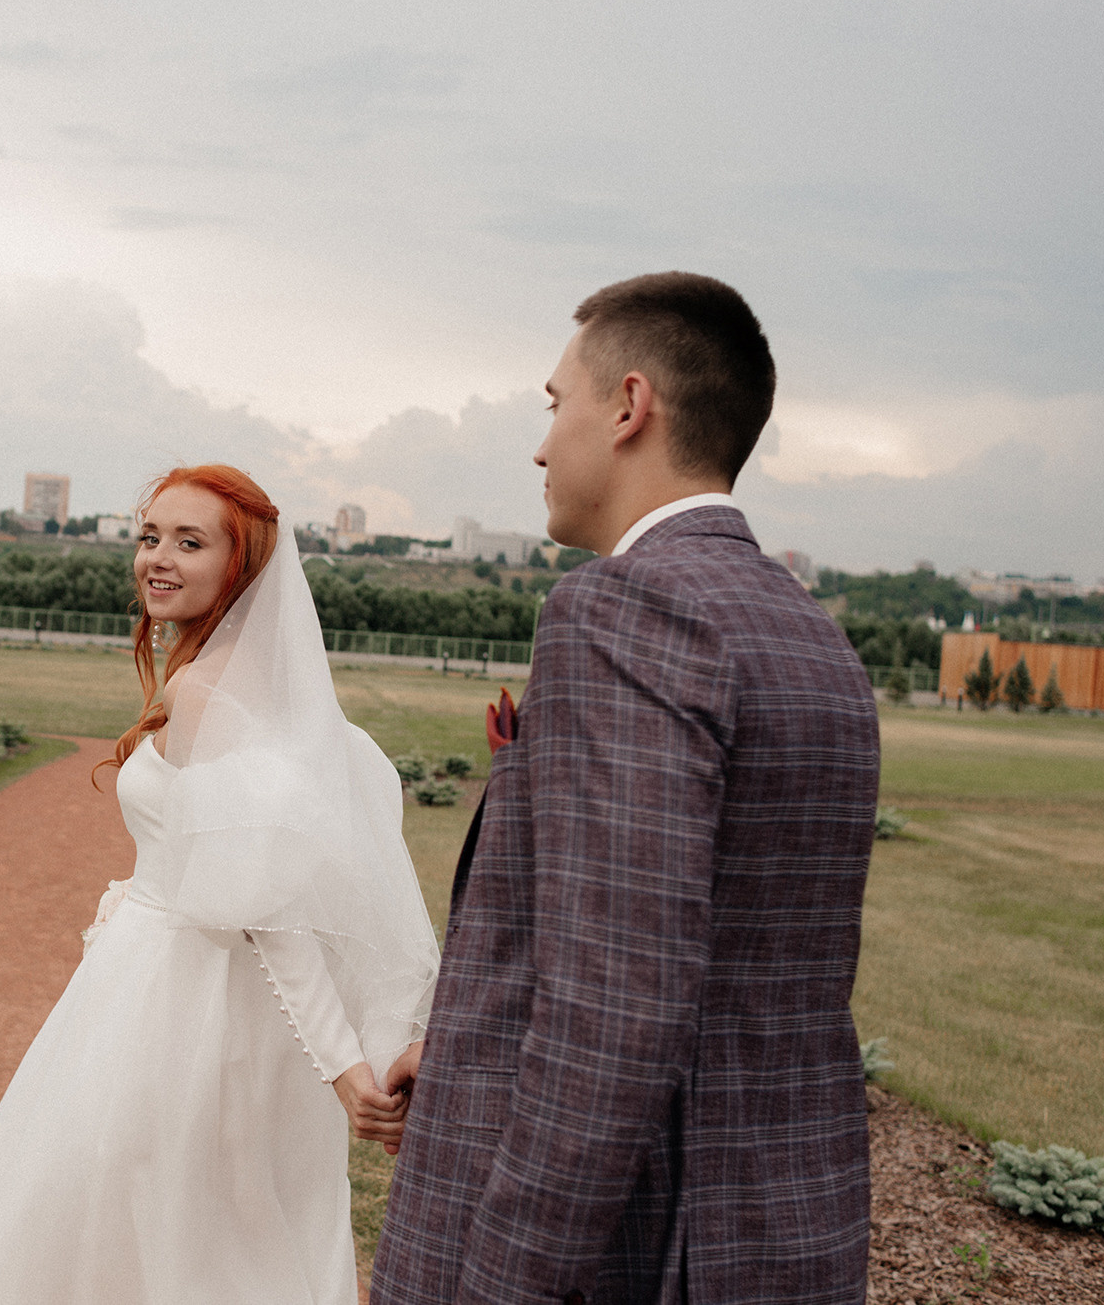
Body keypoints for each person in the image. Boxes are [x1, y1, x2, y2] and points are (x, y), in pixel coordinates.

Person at [372, 273, 882, 1305]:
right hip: (782, 1225)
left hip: (639, 1244)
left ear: (628, 407)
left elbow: (616, 1010)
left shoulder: (622, 608)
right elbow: (728, 950)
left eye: (553, 403)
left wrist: (501, 1282)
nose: (539, 446)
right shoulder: (811, 633)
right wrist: (470, 1048)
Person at [0, 464, 441, 1304]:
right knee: (203, 1227)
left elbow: (270, 909)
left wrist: (346, 1072)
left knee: (124, 1213)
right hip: (201, 996)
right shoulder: (263, 690)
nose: (159, 559)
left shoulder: (208, 691)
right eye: (150, 538)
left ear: (241, 566)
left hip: (179, 1004)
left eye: (190, 542)